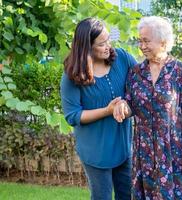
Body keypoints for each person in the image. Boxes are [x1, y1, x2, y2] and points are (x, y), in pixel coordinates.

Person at [114, 16, 182, 199]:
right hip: (145, 152)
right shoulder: (136, 73)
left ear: (163, 42)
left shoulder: (180, 71)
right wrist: (122, 105)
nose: (142, 46)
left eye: (146, 41)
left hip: (175, 149)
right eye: (140, 41)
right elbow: (130, 107)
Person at [60, 17, 136, 200]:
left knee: (127, 195)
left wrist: (125, 104)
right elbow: (73, 115)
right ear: (86, 46)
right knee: (101, 197)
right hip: (95, 151)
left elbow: (140, 90)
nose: (108, 46)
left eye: (108, 40)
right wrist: (107, 110)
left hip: (123, 146)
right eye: (102, 43)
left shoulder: (123, 58)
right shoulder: (73, 74)